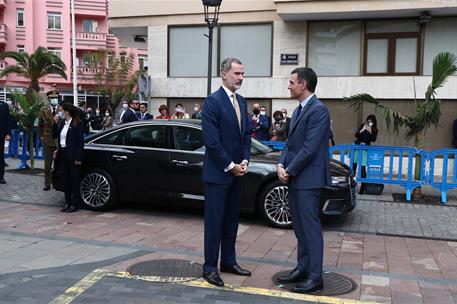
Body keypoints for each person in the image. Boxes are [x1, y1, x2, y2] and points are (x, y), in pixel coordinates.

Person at [276, 67, 331, 294]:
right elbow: (290, 144)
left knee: (310, 229)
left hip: (308, 179)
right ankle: (303, 267)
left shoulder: (319, 111)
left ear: (304, 84)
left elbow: (310, 148)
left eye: (291, 82)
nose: (288, 86)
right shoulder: (298, 110)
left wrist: (289, 169)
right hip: (296, 178)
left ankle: (315, 277)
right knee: (299, 228)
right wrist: (280, 163)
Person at [201, 57, 252, 287]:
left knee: (232, 221)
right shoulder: (212, 102)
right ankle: (210, 267)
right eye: (237, 74)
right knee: (215, 222)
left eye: (242, 74)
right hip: (218, 175)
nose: (241, 78)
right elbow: (211, 142)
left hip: (237, 173)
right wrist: (231, 166)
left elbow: (246, 136)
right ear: (224, 74)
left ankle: (229, 261)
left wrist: (244, 161)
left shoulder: (241, 102)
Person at [56, 104, 85, 213]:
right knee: (65, 179)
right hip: (63, 154)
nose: (60, 112)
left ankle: (75, 203)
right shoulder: (63, 123)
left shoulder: (77, 123)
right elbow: (57, 135)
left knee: (74, 180)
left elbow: (80, 142)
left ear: (67, 112)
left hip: (73, 155)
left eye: (61, 110)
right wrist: (55, 124)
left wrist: (78, 157)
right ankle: (67, 202)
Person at [39, 89, 60, 191]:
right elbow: (40, 125)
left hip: (59, 140)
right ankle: (47, 183)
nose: (54, 99)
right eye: (52, 98)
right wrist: (41, 136)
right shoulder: (44, 110)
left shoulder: (62, 110)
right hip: (47, 139)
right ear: (48, 99)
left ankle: (58, 183)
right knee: (47, 164)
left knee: (59, 164)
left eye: (55, 98)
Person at [353, 114, 378, 194]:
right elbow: (356, 135)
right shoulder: (362, 126)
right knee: (354, 165)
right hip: (357, 146)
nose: (369, 122)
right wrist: (363, 129)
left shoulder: (375, 130)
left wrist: (370, 131)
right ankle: (352, 186)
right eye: (368, 120)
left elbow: (373, 139)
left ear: (374, 122)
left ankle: (362, 188)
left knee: (363, 167)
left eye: (371, 121)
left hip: (365, 149)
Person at [0, 99, 12, 184]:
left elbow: (8, 120)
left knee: (0, 157)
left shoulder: (4, 105)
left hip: (1, 135)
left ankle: (1, 177)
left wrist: (8, 133)